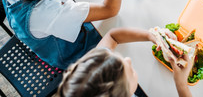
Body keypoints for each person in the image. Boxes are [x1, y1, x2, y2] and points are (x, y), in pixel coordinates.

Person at [57, 27, 193, 97]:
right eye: (131, 72)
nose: (128, 59)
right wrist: (181, 85)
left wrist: (150, 35)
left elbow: (112, 36)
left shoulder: (95, 68)